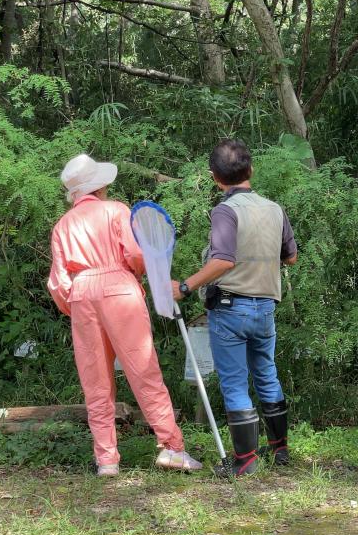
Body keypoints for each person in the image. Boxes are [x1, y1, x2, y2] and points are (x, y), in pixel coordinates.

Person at [48, 154, 202, 477]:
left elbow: (58, 282)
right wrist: (132, 273)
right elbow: (134, 254)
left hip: (81, 293)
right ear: (100, 185)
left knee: (95, 378)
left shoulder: (62, 226)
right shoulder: (116, 210)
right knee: (143, 367)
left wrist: (73, 303)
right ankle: (171, 447)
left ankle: (107, 460)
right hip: (119, 287)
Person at [172, 139, 297, 478]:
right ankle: (280, 451)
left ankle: (245, 461)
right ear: (251, 170)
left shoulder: (225, 211)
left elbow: (223, 261)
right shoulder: (275, 209)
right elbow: (291, 256)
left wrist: (184, 286)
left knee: (235, 383)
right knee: (266, 374)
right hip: (266, 307)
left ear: (216, 178)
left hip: (230, 309)